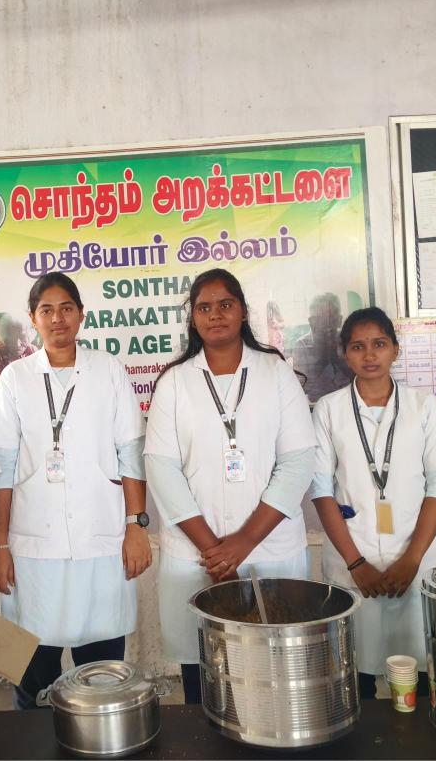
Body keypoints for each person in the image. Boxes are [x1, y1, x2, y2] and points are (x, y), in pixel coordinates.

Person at [144, 268, 316, 704]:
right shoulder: (174, 382)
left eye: (225, 304)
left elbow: (298, 461)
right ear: (193, 318)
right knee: (204, 673)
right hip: (194, 556)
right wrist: (216, 552)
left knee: (277, 677)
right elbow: (161, 468)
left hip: (270, 550)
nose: (215, 314)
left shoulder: (275, 373)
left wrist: (243, 543)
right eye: (204, 307)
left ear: (242, 312)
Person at [0, 272, 151, 710]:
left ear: (81, 315)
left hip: (101, 541)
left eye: (66, 309)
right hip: (33, 549)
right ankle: (37, 742)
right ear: (33, 319)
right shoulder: (15, 378)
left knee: (102, 679)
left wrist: (137, 526)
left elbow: (130, 452)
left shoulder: (108, 370)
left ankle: (99, 740)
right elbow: (0, 469)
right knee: (34, 678)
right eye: (47, 310)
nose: (57, 318)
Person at [310, 307, 436, 698]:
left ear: (396, 349)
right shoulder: (329, 409)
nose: (369, 355)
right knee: (355, 677)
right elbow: (321, 490)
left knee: (419, 676)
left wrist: (412, 559)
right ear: (345, 354)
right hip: (352, 562)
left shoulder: (423, 406)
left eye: (379, 344)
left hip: (415, 558)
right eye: (358, 346)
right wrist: (356, 564)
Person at [292, 292, 352, 402]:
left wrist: (338, 358)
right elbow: (301, 388)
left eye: (332, 318)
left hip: (348, 400)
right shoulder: (302, 346)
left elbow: (358, 377)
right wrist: (323, 358)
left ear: (339, 320)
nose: (327, 324)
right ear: (312, 322)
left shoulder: (347, 341)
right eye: (321, 320)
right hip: (317, 403)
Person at [0, 312, 35, 378]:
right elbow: (1, 381)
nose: (17, 344)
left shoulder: (33, 351)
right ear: (5, 336)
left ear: (29, 335)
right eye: (12, 338)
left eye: (22, 337)